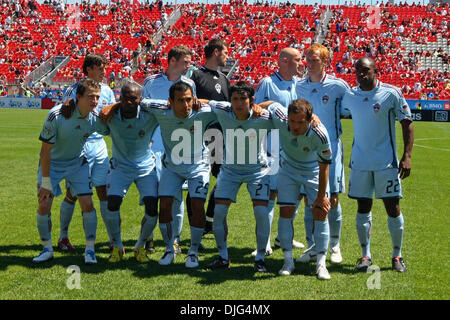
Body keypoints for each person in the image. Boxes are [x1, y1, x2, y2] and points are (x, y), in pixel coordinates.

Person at [341, 57, 414, 273]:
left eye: (365, 70)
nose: (361, 74)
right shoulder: (350, 95)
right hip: (360, 162)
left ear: (375, 70)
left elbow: (407, 123)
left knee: (392, 207)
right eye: (357, 70)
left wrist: (407, 155)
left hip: (386, 163)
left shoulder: (391, 93)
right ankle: (365, 255)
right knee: (363, 207)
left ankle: (397, 255)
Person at [204, 81, 273, 273]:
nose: (239, 103)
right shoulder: (223, 110)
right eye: (235, 99)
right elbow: (203, 101)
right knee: (218, 214)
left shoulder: (264, 116)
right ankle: (223, 257)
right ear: (230, 100)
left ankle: (260, 257)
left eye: (243, 98)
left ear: (252, 100)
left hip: (257, 171)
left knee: (261, 214)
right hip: (230, 171)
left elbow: (278, 107)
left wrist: (265, 105)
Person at [33, 79, 101, 264]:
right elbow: (45, 151)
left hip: (77, 163)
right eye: (90, 97)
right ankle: (47, 249)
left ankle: (90, 250)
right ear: (78, 97)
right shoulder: (57, 115)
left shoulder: (95, 118)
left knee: (87, 204)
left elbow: (112, 122)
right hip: (52, 164)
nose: (94, 101)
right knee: (44, 204)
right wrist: (46, 183)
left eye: (97, 97)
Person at [295, 43, 351, 265]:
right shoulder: (299, 86)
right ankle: (312, 246)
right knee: (311, 200)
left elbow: (351, 106)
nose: (309, 62)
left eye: (315, 59)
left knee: (333, 200)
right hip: (306, 152)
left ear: (325, 61)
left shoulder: (338, 86)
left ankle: (335, 245)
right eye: (307, 58)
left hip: (332, 151)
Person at [93, 83, 159, 263]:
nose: (129, 101)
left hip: (146, 167)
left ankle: (140, 245)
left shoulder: (150, 116)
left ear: (140, 100)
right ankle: (117, 246)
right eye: (125, 97)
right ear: (119, 96)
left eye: (133, 98)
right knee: (112, 204)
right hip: (120, 167)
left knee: (153, 207)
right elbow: (93, 114)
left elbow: (169, 106)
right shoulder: (111, 117)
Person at [267, 99, 332, 279]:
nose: (294, 126)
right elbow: (270, 103)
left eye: (300, 122)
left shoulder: (320, 133)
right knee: (286, 211)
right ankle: (288, 261)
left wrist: (320, 197)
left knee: (321, 211)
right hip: (288, 169)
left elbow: (324, 166)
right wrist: (257, 107)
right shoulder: (281, 117)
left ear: (310, 120)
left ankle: (321, 264)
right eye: (292, 121)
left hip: (313, 171)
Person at [141, 45, 197, 255]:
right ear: (172, 60)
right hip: (155, 145)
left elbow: (194, 113)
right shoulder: (151, 82)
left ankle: (175, 239)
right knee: (152, 195)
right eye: (185, 61)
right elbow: (143, 111)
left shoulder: (189, 83)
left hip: (179, 147)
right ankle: (149, 237)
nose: (189, 65)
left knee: (177, 196)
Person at [58, 54, 116, 252]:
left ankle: (112, 239)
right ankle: (63, 236)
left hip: (99, 147)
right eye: (100, 68)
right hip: (78, 148)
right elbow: (63, 114)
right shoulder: (74, 90)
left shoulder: (107, 91)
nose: (103, 72)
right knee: (73, 194)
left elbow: (112, 116)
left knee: (104, 193)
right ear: (89, 69)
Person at [254, 47, 305, 257]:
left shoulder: (299, 84)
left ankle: (284, 236)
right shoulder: (267, 83)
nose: (302, 63)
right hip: (273, 146)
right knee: (271, 194)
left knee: (296, 192)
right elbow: (256, 109)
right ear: (284, 61)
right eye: (298, 59)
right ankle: (264, 241)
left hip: (295, 146)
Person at [190, 39, 231, 234]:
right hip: (198, 134)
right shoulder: (195, 75)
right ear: (216, 52)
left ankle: (210, 218)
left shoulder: (224, 78)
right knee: (197, 179)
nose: (228, 56)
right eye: (225, 52)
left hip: (220, 135)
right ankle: (195, 225)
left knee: (224, 176)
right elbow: (189, 101)